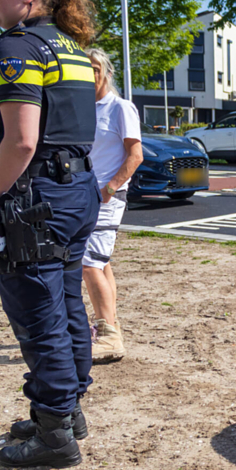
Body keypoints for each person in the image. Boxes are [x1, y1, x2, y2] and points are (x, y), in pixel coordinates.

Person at [0, 0, 100, 469]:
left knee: (38, 317)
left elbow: (20, 142)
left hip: (35, 198)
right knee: (66, 306)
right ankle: (67, 412)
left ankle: (54, 436)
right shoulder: (68, 46)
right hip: (74, 192)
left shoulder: (17, 48)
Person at [83, 48, 143, 363]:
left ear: (106, 72)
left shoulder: (120, 108)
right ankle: (108, 322)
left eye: (94, 68)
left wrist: (110, 188)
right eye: (84, 68)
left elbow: (136, 155)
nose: (89, 74)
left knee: (88, 261)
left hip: (107, 198)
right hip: (86, 197)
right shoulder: (84, 109)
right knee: (101, 261)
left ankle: (109, 337)